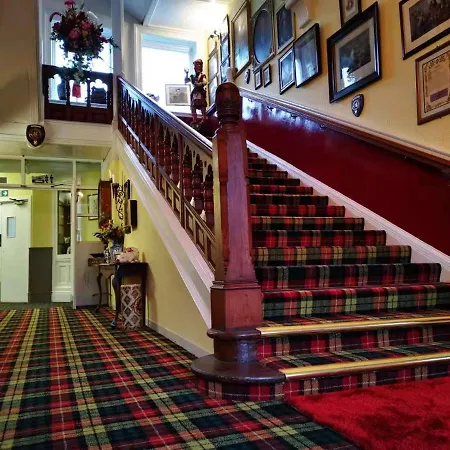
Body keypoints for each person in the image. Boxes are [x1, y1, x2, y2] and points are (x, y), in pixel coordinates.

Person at [185, 59, 207, 123]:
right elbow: (186, 81)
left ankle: (203, 119)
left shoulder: (202, 75)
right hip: (195, 92)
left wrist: (199, 84)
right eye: (196, 65)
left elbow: (205, 82)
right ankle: (194, 119)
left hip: (200, 91)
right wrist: (186, 73)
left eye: (199, 65)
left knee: (202, 106)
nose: (198, 67)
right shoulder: (192, 76)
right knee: (193, 106)